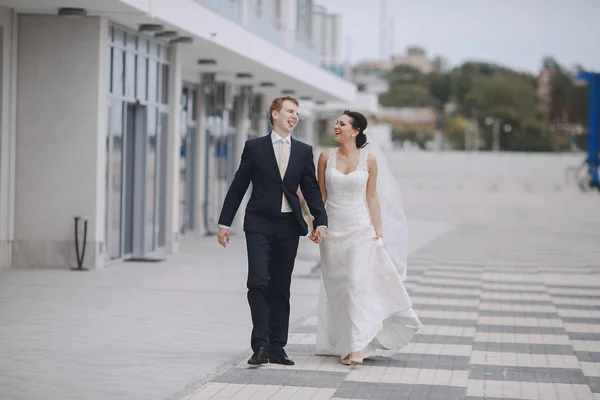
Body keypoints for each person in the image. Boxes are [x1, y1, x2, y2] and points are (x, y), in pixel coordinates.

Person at [217, 96, 327, 366]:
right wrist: (224, 223)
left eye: (297, 113)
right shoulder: (255, 147)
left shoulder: (303, 151)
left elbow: (311, 189)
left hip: (288, 226)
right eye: (290, 111)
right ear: (275, 114)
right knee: (257, 281)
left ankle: (277, 346)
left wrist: (320, 221)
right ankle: (261, 345)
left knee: (280, 287)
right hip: (258, 225)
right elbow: (239, 185)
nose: (294, 116)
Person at [314, 110, 422, 365]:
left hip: (361, 228)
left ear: (356, 131)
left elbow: (371, 196)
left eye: (342, 123)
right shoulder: (325, 157)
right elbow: (320, 195)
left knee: (355, 283)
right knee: (339, 289)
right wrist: (317, 224)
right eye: (336, 122)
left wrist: (378, 228)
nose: (336, 126)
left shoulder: (369, 160)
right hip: (333, 231)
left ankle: (356, 346)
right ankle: (345, 342)